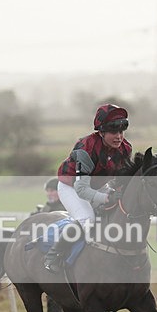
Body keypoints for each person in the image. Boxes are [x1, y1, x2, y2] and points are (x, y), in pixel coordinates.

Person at [43, 104, 134, 272]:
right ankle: (54, 255)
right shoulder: (86, 148)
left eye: (121, 132)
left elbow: (119, 178)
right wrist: (106, 198)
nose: (119, 137)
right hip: (71, 186)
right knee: (88, 219)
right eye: (114, 132)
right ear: (101, 132)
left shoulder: (125, 148)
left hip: (97, 185)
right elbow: (82, 190)